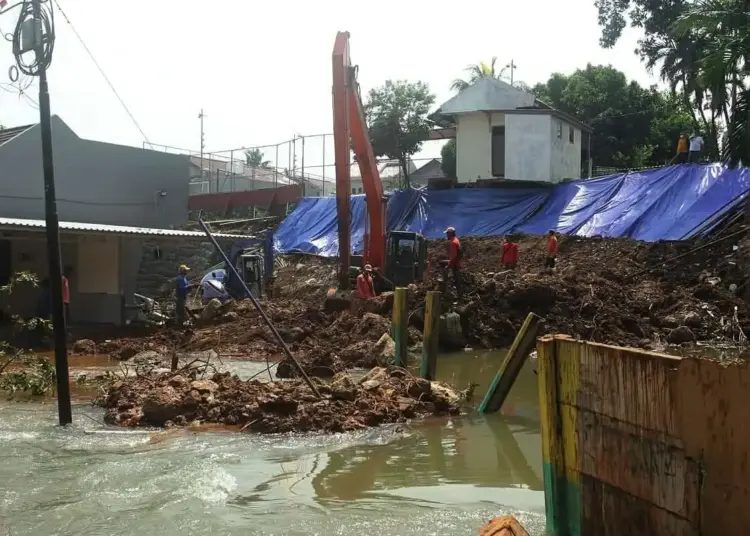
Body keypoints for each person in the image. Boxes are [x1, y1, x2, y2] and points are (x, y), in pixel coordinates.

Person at [445, 226, 462, 296]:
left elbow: (453, 256)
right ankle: (459, 296)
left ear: (450, 234)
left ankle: (460, 298)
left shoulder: (453, 242)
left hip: (455, 265)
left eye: (447, 234)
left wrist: (448, 266)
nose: (446, 235)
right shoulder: (456, 240)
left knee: (457, 282)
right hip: (458, 263)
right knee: (457, 281)